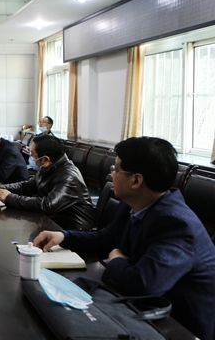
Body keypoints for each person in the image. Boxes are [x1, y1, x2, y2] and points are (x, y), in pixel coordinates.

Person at [33, 137, 215, 340]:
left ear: (136, 181)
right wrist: (63, 236)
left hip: (179, 326)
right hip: (142, 309)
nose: (111, 174)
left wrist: (116, 261)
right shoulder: (134, 203)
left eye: (116, 169)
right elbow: (105, 239)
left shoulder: (175, 223)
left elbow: (144, 284)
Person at [0, 135, 95, 230]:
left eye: (33, 156)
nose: (31, 158)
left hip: (74, 230)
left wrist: (10, 198)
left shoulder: (68, 176)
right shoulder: (48, 167)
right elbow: (28, 186)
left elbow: (47, 204)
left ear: (46, 160)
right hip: (53, 222)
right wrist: (1, 187)